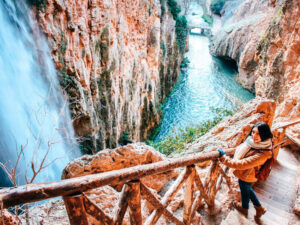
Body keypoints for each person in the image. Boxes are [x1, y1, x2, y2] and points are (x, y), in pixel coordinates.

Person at [217, 122, 273, 222]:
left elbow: (241, 164)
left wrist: (224, 158)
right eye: (253, 132)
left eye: (258, 134)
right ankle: (259, 208)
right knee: (247, 189)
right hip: (249, 175)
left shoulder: (263, 153)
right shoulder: (259, 143)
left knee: (245, 190)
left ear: (264, 135)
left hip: (248, 175)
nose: (254, 136)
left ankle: (245, 209)